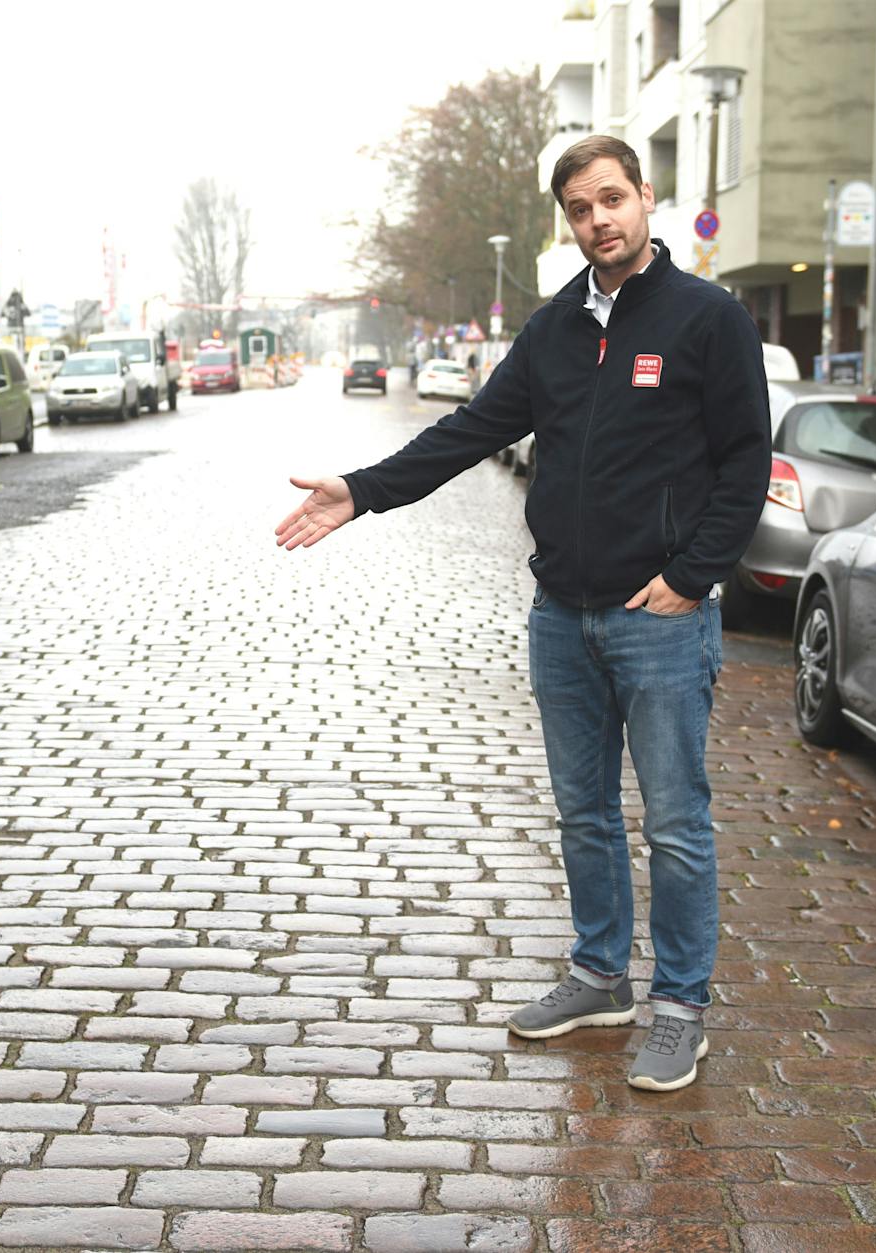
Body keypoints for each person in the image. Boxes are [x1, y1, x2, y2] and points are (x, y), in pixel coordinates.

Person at [274, 135, 769, 1092]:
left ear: (646, 197)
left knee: (674, 822)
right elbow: (472, 430)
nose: (599, 221)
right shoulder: (552, 330)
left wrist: (693, 575)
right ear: (568, 220)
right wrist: (362, 490)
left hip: (659, 620)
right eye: (581, 209)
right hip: (562, 616)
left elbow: (747, 460)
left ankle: (680, 1007)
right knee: (584, 814)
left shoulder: (709, 318)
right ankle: (600, 977)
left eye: (612, 199)